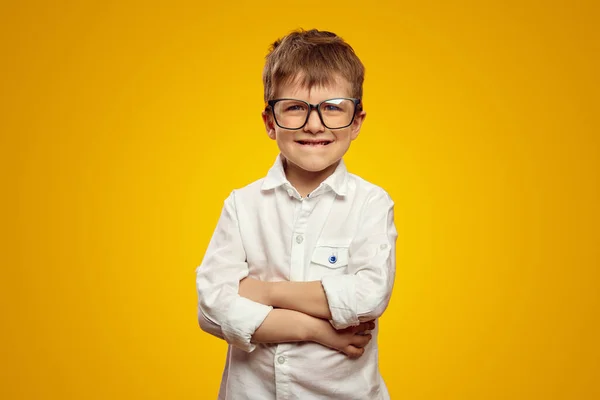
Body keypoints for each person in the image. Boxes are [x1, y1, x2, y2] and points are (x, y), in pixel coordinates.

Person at [196, 28, 398, 399]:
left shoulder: (370, 202)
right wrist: (316, 330)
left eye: (333, 107)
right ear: (270, 122)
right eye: (295, 107)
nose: (314, 124)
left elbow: (368, 296)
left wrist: (264, 291)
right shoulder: (242, 205)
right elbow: (212, 308)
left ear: (356, 122)